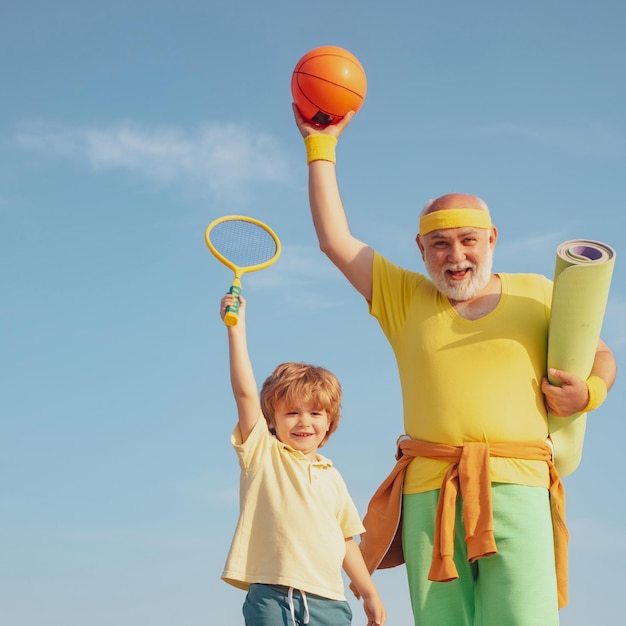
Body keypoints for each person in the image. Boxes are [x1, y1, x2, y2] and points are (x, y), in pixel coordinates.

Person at [293, 105, 617, 626]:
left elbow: (602, 354)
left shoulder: (538, 293)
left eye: (468, 239)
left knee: (525, 619)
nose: (455, 254)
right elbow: (335, 240)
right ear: (421, 249)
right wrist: (320, 147)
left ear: (492, 240)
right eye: (439, 243)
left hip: (520, 483)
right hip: (429, 491)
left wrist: (590, 394)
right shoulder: (403, 296)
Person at [219, 292, 386, 626]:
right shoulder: (262, 453)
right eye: (291, 413)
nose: (304, 422)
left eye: (315, 413)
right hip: (273, 595)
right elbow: (245, 393)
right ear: (272, 420)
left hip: (330, 601)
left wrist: (369, 592)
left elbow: (345, 539)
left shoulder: (331, 476)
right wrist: (235, 329)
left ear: (330, 422)